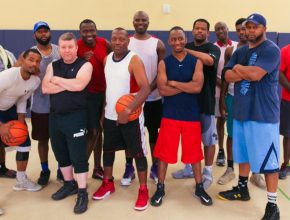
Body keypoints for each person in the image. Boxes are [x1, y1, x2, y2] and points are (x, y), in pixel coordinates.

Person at [218, 13, 281, 220]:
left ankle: (273, 206)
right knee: (242, 154)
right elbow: (227, 76)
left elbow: (255, 75)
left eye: (255, 27)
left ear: (264, 28)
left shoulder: (271, 49)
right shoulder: (241, 50)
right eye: (248, 27)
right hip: (241, 111)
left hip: (263, 114)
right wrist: (242, 70)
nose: (250, 31)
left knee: (269, 163)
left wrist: (238, 69)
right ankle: (242, 189)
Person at [150, 26, 212, 207]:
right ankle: (160, 187)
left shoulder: (196, 61)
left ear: (185, 40)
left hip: (191, 115)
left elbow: (197, 88)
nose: (177, 42)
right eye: (174, 39)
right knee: (164, 154)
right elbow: (162, 90)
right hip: (170, 115)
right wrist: (186, 86)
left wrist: (175, 83)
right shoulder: (164, 63)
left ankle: (199, 186)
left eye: (180, 39)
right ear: (169, 42)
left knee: (194, 154)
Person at [92, 28, 150, 211]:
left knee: (137, 153)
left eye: (121, 39)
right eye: (114, 39)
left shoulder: (134, 60)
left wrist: (129, 109)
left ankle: (143, 189)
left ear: (128, 41)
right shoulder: (106, 59)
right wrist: (103, 112)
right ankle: (108, 183)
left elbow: (145, 88)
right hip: (110, 115)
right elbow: (109, 88)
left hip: (131, 116)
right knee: (108, 151)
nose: (117, 42)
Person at [42, 32, 93, 214]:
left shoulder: (85, 65)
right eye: (63, 47)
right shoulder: (52, 65)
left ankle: (82, 192)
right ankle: (69, 184)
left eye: (70, 47)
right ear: (59, 48)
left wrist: (56, 80)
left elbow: (79, 85)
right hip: (55, 117)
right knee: (60, 153)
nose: (67, 50)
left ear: (76, 48)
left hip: (76, 117)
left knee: (78, 156)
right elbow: (45, 88)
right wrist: (67, 83)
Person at [171, 19, 220, 190]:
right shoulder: (186, 46)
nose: (199, 31)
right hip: (187, 103)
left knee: (208, 140)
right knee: (189, 139)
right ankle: (189, 168)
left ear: (208, 32)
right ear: (192, 31)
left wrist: (185, 50)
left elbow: (209, 61)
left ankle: (207, 172)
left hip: (206, 102)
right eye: (197, 28)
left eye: (203, 29)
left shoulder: (212, 48)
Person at [218, 18, 266, 189]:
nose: (242, 32)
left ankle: (256, 173)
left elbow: (256, 74)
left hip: (254, 100)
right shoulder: (232, 50)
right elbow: (226, 76)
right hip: (233, 97)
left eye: (244, 29)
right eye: (238, 30)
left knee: (254, 137)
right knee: (232, 135)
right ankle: (230, 168)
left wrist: (240, 72)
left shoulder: (261, 50)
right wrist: (223, 98)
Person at [122, 10, 166, 185]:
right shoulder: (127, 42)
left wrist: (148, 90)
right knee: (130, 135)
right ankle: (129, 167)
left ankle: (155, 166)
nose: (140, 22)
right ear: (133, 22)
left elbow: (161, 71)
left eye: (144, 20)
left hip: (153, 98)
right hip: (131, 99)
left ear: (148, 22)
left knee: (154, 133)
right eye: (137, 20)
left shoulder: (158, 44)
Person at [0, 48, 42, 192]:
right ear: (22, 60)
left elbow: (22, 99)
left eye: (37, 61)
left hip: (9, 110)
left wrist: (21, 121)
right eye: (31, 59)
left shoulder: (35, 81)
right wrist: (1, 126)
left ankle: (21, 180)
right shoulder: (7, 76)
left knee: (24, 142)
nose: (34, 64)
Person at [77, 19, 111, 180]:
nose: (89, 34)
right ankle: (80, 168)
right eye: (85, 31)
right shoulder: (76, 47)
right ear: (80, 32)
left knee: (100, 132)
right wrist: (82, 60)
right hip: (86, 95)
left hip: (104, 93)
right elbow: (69, 68)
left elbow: (113, 61)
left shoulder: (104, 43)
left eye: (92, 30)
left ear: (96, 30)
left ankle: (98, 167)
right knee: (93, 131)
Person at [30, 21, 60, 186]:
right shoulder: (30, 53)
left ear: (50, 33)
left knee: (61, 139)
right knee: (43, 140)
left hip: (59, 103)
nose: (43, 34)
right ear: (35, 34)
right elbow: (18, 70)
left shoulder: (59, 50)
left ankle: (63, 170)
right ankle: (45, 169)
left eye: (45, 31)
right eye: (39, 31)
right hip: (40, 105)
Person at [214, 22, 238, 167]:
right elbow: (211, 72)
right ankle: (221, 150)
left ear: (228, 29)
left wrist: (227, 82)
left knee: (232, 122)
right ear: (215, 32)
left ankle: (234, 151)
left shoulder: (235, 46)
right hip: (219, 90)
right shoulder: (213, 48)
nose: (221, 31)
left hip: (231, 88)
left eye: (223, 28)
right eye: (217, 29)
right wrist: (223, 83)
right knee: (221, 119)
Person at [0, 44, 17, 179]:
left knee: (1, 138)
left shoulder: (7, 54)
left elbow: (15, 74)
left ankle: (2, 167)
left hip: (4, 103)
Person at [279, 43, 290, 180]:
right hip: (288, 100)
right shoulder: (286, 50)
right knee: (288, 134)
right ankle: (286, 164)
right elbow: (279, 72)